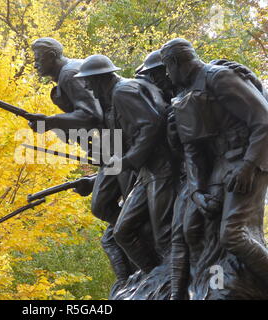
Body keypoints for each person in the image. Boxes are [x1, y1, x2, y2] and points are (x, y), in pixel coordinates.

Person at [29, 38, 137, 293]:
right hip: (111, 146)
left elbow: (91, 115)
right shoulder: (65, 77)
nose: (34, 63)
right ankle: (132, 255)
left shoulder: (68, 74)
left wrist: (51, 121)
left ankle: (139, 240)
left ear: (53, 55)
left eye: (38, 57)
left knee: (104, 207)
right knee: (102, 207)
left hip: (120, 145)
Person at [160, 38, 268, 286]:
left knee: (234, 235)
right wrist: (197, 191)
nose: (166, 74)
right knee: (192, 229)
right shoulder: (185, 94)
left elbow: (263, 120)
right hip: (222, 166)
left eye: (167, 67)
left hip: (250, 161)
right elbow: (193, 150)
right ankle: (208, 287)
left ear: (175, 62)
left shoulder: (218, 77)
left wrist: (248, 166)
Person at [75, 54, 175, 274]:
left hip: (161, 169)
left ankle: (170, 280)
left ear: (101, 79)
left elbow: (151, 125)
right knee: (122, 232)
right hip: (147, 172)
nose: (89, 89)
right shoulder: (118, 94)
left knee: (162, 235)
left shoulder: (123, 92)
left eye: (90, 83)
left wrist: (129, 160)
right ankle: (152, 276)